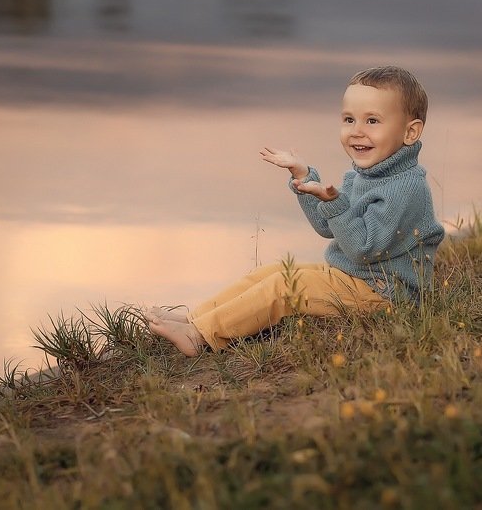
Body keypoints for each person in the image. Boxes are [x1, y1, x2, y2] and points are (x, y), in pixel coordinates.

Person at [145, 66, 445, 356]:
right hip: (356, 277)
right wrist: (305, 179)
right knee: (271, 272)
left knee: (285, 286)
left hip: (385, 295)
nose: (357, 132)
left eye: (372, 121)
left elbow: (362, 249)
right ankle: (198, 318)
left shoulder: (405, 188)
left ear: (410, 132)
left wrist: (332, 203)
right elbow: (328, 228)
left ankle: (201, 337)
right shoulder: (366, 175)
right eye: (349, 119)